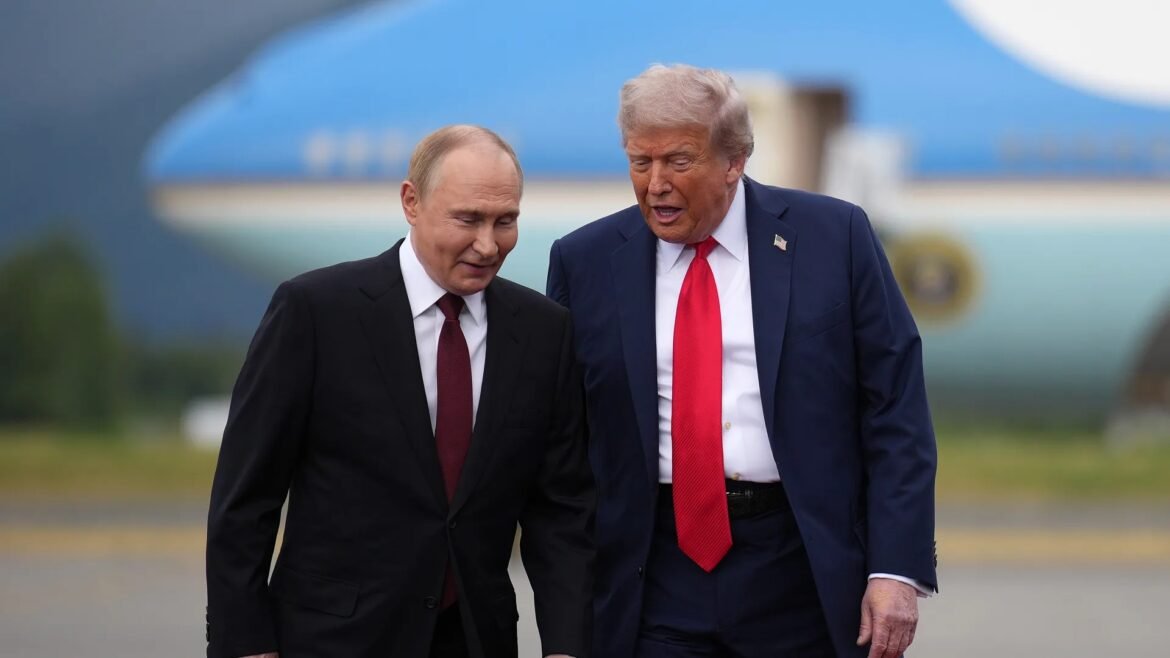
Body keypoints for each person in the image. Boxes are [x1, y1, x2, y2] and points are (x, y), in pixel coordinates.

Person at [546, 64, 937, 658]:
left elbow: (896, 412)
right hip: (654, 572)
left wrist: (895, 570)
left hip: (799, 563)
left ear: (735, 161)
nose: (655, 184)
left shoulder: (835, 239)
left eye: (678, 161)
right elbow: (563, 448)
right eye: (639, 161)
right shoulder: (587, 262)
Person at [206, 125, 594, 658]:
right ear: (411, 202)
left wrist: (567, 647)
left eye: (505, 221)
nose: (488, 244)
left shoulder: (545, 332)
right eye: (468, 219)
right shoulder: (316, 313)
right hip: (331, 641)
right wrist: (245, 644)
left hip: (476, 638)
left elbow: (561, 515)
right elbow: (245, 500)